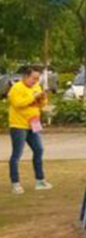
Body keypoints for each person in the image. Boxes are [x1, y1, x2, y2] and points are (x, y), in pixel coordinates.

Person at [8, 65, 52, 194]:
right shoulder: (16, 88)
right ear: (26, 76)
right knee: (17, 154)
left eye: (38, 79)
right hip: (18, 125)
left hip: (33, 124)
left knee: (39, 149)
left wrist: (43, 98)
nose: (36, 81)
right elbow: (17, 104)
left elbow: (42, 104)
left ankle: (40, 180)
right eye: (34, 78)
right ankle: (15, 183)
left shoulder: (36, 87)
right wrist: (34, 97)